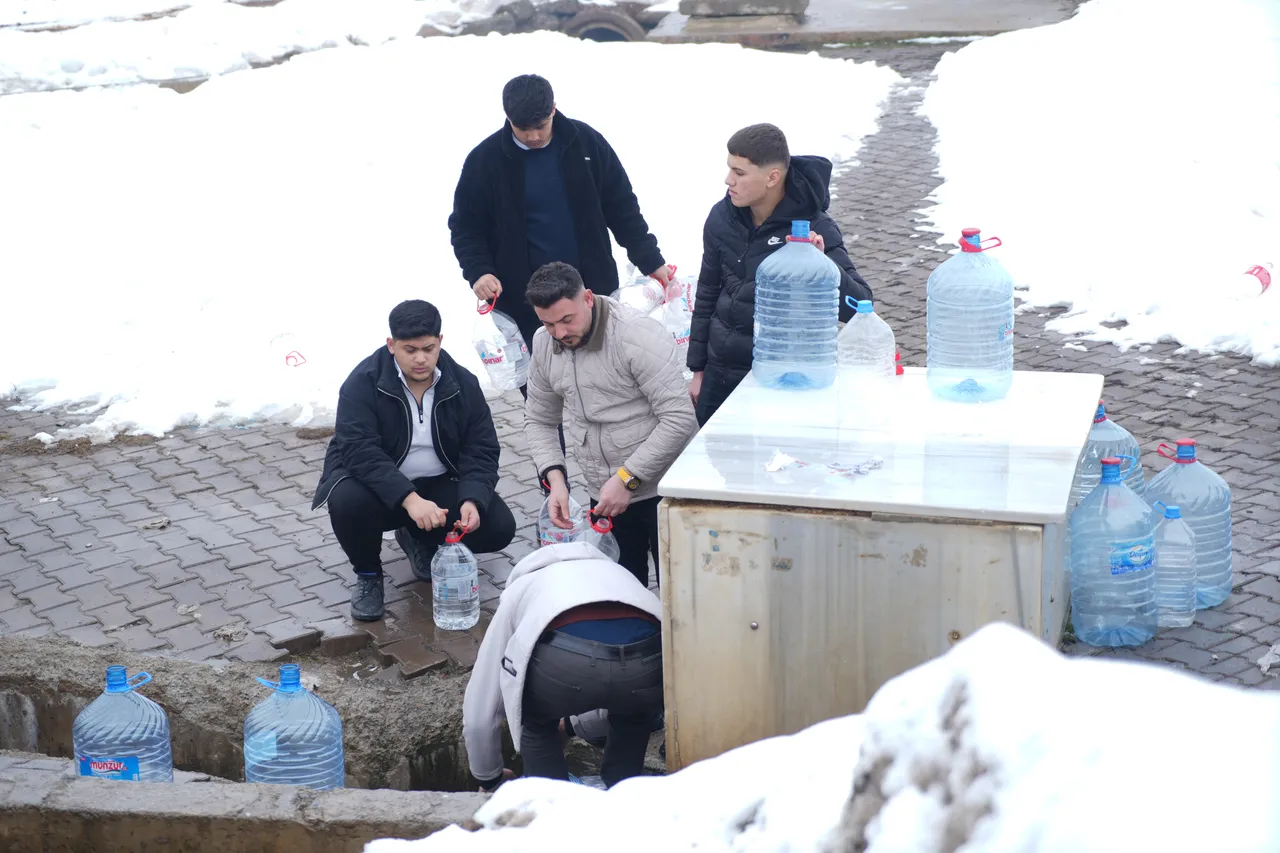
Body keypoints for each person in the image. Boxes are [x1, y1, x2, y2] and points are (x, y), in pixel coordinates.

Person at [312, 300, 517, 621]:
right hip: (378, 489)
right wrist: (409, 499)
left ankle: (418, 537)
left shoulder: (462, 383)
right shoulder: (362, 383)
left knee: (498, 527)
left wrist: (473, 499)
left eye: (428, 348)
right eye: (410, 350)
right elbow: (359, 452)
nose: (420, 358)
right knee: (346, 500)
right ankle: (368, 575)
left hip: (437, 485)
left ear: (440, 342)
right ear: (391, 344)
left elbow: (481, 449)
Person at [448, 73, 671, 358]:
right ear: (507, 116)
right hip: (523, 300)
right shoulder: (484, 161)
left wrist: (651, 261)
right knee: (543, 379)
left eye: (540, 126)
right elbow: (466, 227)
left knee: (608, 367)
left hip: (591, 290)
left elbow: (622, 207)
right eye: (523, 129)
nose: (533, 137)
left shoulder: (586, 143)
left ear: (553, 109)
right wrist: (480, 271)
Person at [523, 262, 698, 588]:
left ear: (588, 298)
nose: (559, 333)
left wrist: (627, 478)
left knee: (678, 594)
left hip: (662, 490)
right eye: (548, 324)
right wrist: (556, 480)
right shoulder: (544, 344)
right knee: (622, 593)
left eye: (567, 320)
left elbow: (679, 418)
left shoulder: (637, 335)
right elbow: (540, 419)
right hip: (605, 494)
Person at [688, 123, 874, 425]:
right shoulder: (721, 217)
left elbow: (860, 306)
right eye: (729, 168)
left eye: (739, 172)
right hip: (720, 374)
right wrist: (698, 369)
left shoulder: (816, 227)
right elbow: (707, 291)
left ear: (772, 178)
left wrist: (823, 267)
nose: (728, 180)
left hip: (783, 380)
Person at [463, 542, 664, 790]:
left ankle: (550, 802)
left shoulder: (521, 588)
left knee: (536, 724)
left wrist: (489, 776)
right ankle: (624, 794)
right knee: (634, 713)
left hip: (563, 663)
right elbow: (613, 680)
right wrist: (570, 725)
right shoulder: (620, 573)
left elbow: (481, 706)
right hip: (646, 659)